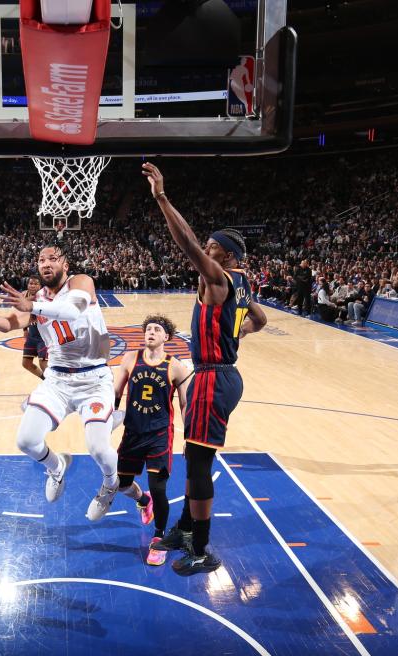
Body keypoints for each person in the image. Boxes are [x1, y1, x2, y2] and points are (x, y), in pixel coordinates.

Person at [142, 162, 268, 575]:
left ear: (226, 255)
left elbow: (187, 244)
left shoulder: (221, 279)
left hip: (215, 378)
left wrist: (162, 197)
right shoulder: (241, 283)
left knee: (198, 465)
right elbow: (259, 319)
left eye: (212, 247)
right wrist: (237, 332)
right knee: (194, 456)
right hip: (220, 373)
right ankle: (183, 529)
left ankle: (201, 548)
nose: (206, 251)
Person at [0, 244, 121, 522]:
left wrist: (32, 305)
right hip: (57, 380)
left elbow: (72, 310)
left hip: (94, 379)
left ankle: (110, 484)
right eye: (41, 259)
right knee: (26, 440)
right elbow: (6, 324)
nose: (46, 263)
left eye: (53, 258)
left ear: (65, 265)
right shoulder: (37, 298)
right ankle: (57, 466)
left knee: (99, 449)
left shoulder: (81, 282)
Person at [111, 314, 191, 566]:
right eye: (148, 329)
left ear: (167, 336)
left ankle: (159, 539)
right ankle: (143, 501)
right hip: (133, 433)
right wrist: (104, 422)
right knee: (122, 484)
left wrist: (189, 437)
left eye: (157, 329)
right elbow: (115, 393)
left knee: (159, 489)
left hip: (159, 435)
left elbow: (185, 404)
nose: (151, 332)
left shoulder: (176, 367)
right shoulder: (130, 358)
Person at [20, 276, 48, 379]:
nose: (32, 286)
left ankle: (53, 384)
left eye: (36, 284)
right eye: (31, 283)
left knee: (43, 364)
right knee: (26, 363)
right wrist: (25, 329)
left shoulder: (44, 297)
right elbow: (22, 314)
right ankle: (45, 380)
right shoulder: (23, 295)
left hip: (43, 336)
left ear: (40, 286)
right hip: (32, 335)